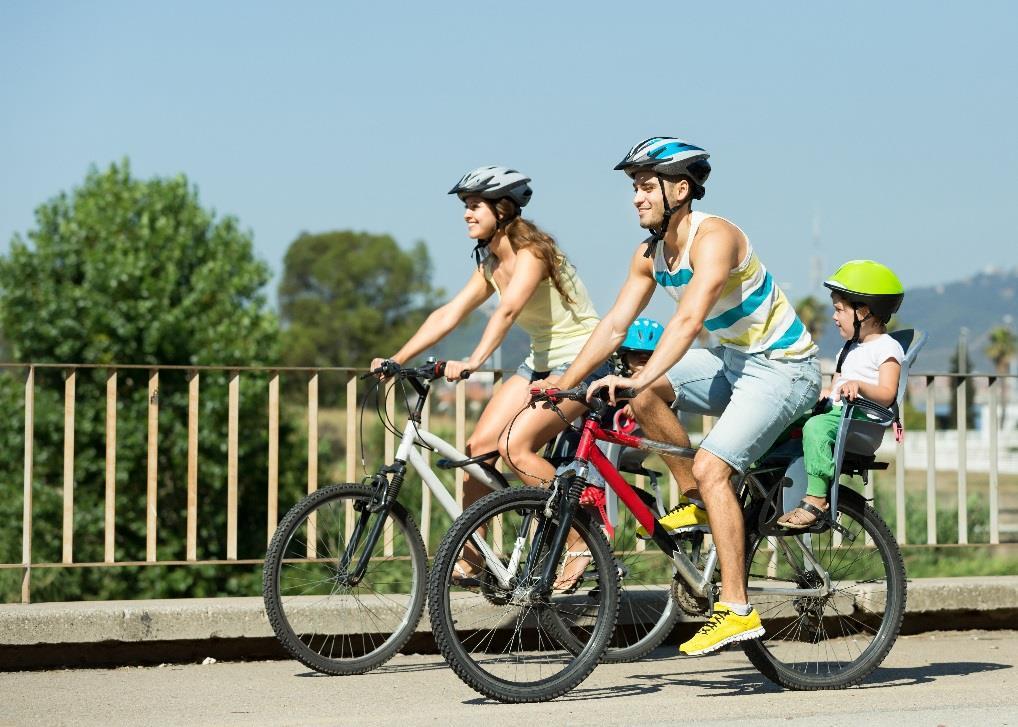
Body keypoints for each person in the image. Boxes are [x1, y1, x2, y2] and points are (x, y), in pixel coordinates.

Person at [540, 136, 821, 656]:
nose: (636, 198)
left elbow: (689, 319)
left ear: (681, 189)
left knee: (714, 463)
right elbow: (612, 326)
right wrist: (564, 383)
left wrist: (640, 376)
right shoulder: (649, 255)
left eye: (646, 186)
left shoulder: (714, 237)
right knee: (642, 397)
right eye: (634, 188)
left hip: (784, 368)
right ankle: (695, 499)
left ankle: (736, 609)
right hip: (734, 362)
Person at [370, 165, 604, 584]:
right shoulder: (491, 262)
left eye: (474, 205)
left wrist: (476, 359)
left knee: (517, 448)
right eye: (465, 206)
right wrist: (396, 358)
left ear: (502, 207)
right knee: (477, 449)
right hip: (540, 361)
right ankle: (477, 551)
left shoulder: (532, 254)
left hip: (584, 360)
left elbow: (509, 310)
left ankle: (580, 538)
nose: (466, 214)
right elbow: (450, 313)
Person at [778, 260, 905, 528]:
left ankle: (816, 499)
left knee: (815, 427)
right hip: (839, 414)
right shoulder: (848, 349)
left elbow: (887, 393)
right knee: (780, 420)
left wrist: (860, 386)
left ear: (863, 312)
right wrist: (823, 393)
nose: (834, 316)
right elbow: (835, 388)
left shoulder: (887, 347)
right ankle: (772, 484)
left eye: (839, 310)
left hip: (861, 422)